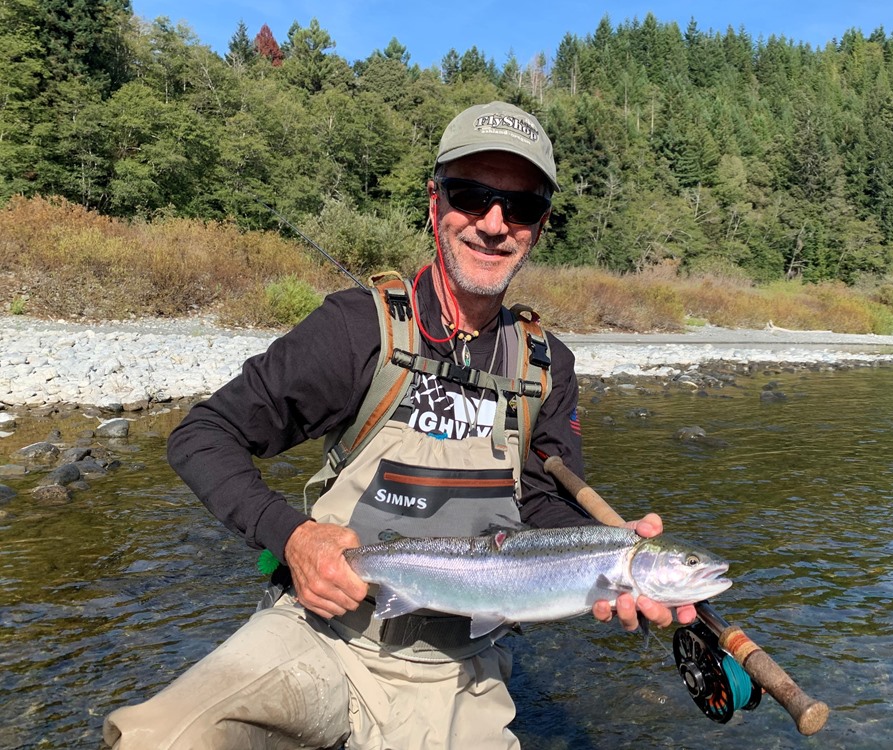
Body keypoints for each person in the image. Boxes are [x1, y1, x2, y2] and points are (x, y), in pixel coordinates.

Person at [103, 101, 696, 749]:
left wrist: (604, 557)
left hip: (460, 672)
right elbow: (202, 436)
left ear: (540, 226)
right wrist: (292, 535)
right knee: (159, 738)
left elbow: (544, 508)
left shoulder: (547, 365)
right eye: (471, 195)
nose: (494, 224)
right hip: (319, 633)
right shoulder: (359, 329)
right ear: (434, 201)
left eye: (520, 207)